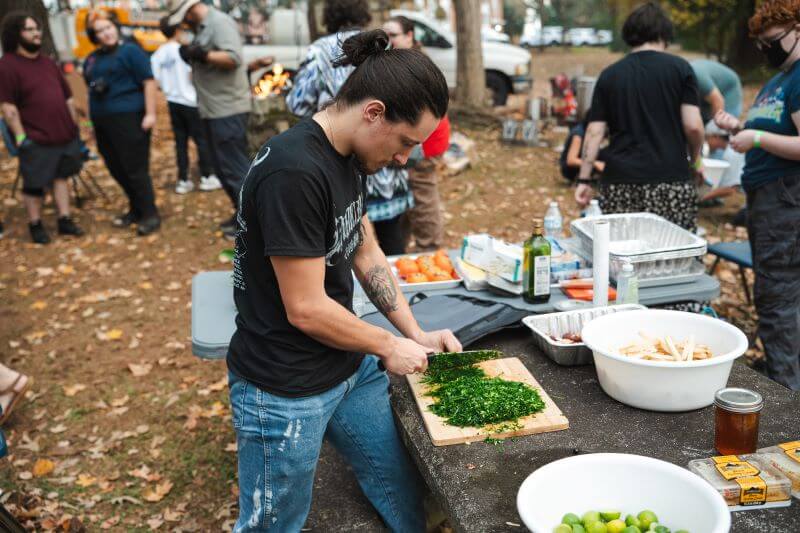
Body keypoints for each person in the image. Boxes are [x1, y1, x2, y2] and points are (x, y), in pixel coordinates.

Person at [227, 30, 458, 531]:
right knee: (274, 522)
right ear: (374, 112)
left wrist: (414, 334)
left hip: (346, 364)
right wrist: (386, 345)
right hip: (284, 387)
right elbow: (305, 307)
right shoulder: (294, 172)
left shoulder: (351, 155)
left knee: (400, 483)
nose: (403, 159)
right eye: (404, 143)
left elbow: (362, 244)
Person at [714, 0, 800, 390]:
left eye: (774, 40)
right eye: (762, 42)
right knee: (775, 296)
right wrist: (738, 128)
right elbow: (764, 131)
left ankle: (786, 395)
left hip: (786, 202)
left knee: (778, 300)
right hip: (766, 204)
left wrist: (758, 137)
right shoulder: (778, 80)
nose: (767, 48)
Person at [286, 0, 412, 255]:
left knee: (347, 249)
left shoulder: (321, 50)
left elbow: (297, 103)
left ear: (329, 15)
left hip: (343, 165)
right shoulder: (380, 44)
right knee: (391, 249)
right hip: (387, 168)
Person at [575, 2, 705, 233]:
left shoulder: (609, 75)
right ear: (663, 34)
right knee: (671, 259)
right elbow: (693, 126)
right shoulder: (681, 69)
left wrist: (584, 180)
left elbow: (594, 132)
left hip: (620, 182)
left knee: (622, 256)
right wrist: (695, 161)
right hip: (670, 180)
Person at [166, 0, 252, 239]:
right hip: (211, 109)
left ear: (190, 10)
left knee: (234, 168)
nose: (183, 23)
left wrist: (202, 54)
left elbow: (233, 58)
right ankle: (242, 213)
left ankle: (253, 222)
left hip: (228, 108)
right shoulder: (202, 28)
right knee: (222, 168)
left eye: (183, 17)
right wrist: (192, 54)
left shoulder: (219, 23)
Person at [0, 12, 85, 244]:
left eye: (37, 29)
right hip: (35, 137)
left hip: (63, 134)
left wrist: (75, 127)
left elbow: (68, 98)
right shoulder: (7, 65)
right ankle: (35, 224)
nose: (37, 33)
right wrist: (20, 136)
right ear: (16, 34)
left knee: (61, 178)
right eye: (29, 29)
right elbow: (9, 107)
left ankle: (64, 220)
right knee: (34, 185)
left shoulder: (48, 62)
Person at [84, 10, 161, 236]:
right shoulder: (92, 58)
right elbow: (89, 91)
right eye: (99, 31)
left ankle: (149, 213)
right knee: (115, 167)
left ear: (115, 28)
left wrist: (151, 113)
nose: (105, 33)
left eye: (108, 28)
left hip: (129, 118)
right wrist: (90, 125)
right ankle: (135, 208)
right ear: (94, 35)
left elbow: (148, 82)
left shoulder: (131, 51)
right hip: (102, 121)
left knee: (135, 168)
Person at [384, 15, 450, 250]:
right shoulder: (406, 60)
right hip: (417, 139)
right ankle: (400, 249)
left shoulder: (416, 63)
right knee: (406, 196)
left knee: (422, 196)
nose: (388, 40)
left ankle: (430, 247)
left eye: (393, 35)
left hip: (426, 140)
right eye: (385, 35)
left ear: (409, 36)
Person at [151, 17, 221, 195]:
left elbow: (156, 80)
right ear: (177, 31)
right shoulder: (183, 51)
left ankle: (183, 180)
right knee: (201, 141)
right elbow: (192, 75)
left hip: (173, 102)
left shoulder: (158, 54)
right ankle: (207, 176)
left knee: (180, 143)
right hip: (190, 102)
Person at [699, 121, 744, 205]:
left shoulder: (732, 152)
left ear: (716, 136)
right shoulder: (727, 149)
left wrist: (701, 197)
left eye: (707, 138)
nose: (706, 141)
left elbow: (731, 189)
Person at [690, 58, 743, 124]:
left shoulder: (697, 76)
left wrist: (715, 126)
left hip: (728, 89)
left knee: (724, 125)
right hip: (706, 93)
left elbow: (717, 100)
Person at [559, 110, 605, 182]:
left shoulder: (591, 132)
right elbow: (571, 161)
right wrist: (595, 163)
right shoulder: (578, 134)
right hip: (570, 170)